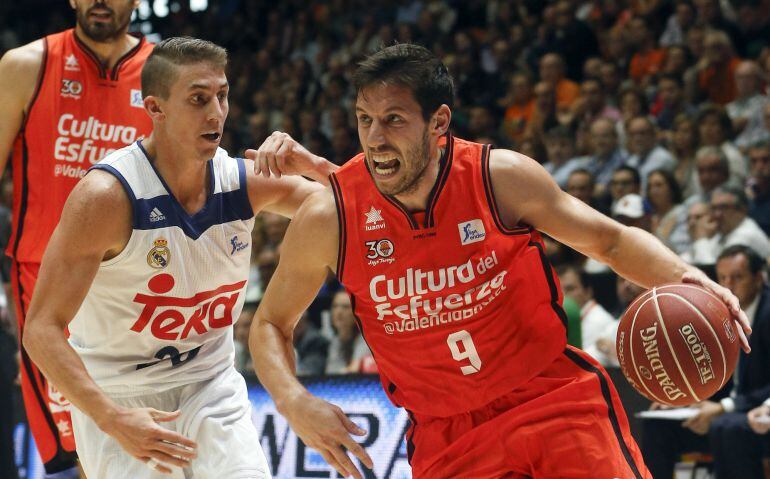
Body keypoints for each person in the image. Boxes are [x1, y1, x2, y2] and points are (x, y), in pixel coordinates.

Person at [249, 44, 751, 479]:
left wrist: (690, 278)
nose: (376, 137)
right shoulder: (330, 215)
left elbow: (611, 242)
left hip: (550, 399)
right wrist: (294, 402)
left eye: (394, 119)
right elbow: (269, 323)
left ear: (439, 121)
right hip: (445, 432)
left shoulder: (499, 177)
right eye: (365, 119)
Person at [21, 37, 337, 478]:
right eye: (198, 99)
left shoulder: (243, 184)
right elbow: (40, 330)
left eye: (222, 96)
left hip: (211, 387)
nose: (216, 113)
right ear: (156, 108)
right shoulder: (106, 197)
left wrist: (319, 167)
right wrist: (110, 417)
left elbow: (353, 218)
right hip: (121, 396)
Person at [0, 1, 154, 472]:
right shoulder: (27, 66)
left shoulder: (164, 73)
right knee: (75, 453)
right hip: (48, 281)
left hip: (138, 283)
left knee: (140, 444)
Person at [643, 245, 770, 479]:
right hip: (727, 409)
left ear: (759, 277)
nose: (729, 285)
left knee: (727, 427)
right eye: (723, 278)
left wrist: (723, 408)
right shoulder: (715, 311)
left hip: (757, 411)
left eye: (737, 277)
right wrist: (686, 397)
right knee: (658, 425)